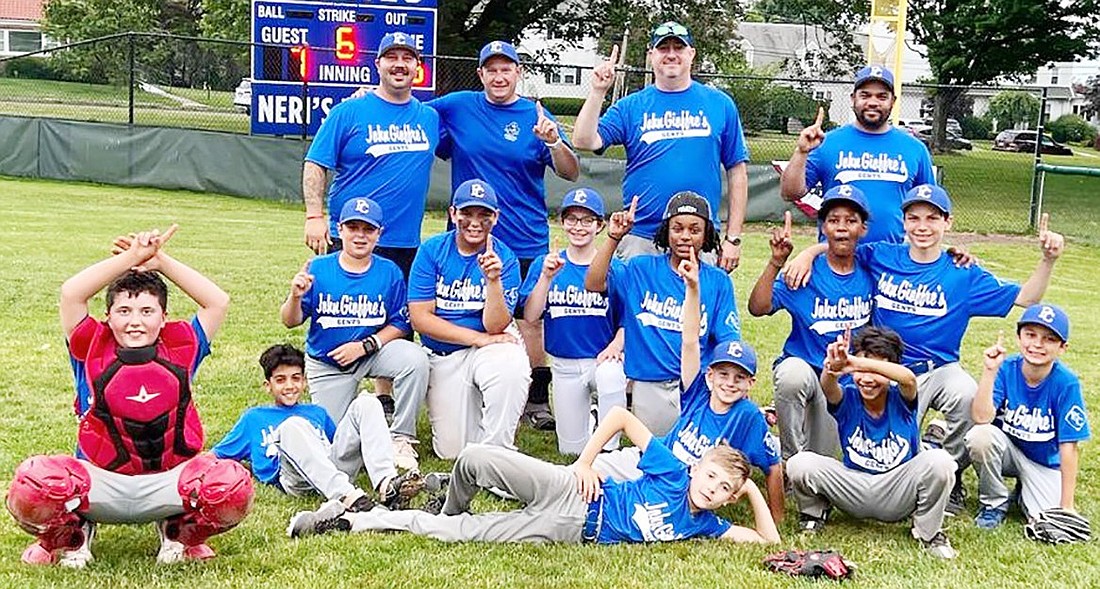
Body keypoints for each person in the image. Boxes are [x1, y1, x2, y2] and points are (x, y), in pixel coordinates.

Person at [784, 184, 1065, 515]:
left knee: (965, 394)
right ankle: (903, 461)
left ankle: (952, 472)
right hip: (886, 369)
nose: (922, 226)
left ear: (948, 222)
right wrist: (807, 253)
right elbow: (840, 246)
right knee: (886, 453)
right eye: (914, 217)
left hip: (938, 368)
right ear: (903, 223)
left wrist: (1048, 259)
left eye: (933, 218)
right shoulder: (882, 255)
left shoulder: (963, 272)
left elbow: (1027, 298)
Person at [6, 226, 253, 567]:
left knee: (231, 483)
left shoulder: (180, 349)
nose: (135, 321)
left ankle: (180, 532)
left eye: (147, 312)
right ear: (107, 317)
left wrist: (160, 261)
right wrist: (131, 258)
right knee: (33, 481)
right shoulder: (90, 347)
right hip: (101, 483)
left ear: (164, 318)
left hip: (167, 481)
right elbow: (71, 294)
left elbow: (217, 301)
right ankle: (70, 536)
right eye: (124, 311)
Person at [287, 405, 781, 546]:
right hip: (575, 490)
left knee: (460, 534)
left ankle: (359, 521)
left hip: (569, 530)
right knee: (477, 457)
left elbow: (767, 542)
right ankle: (444, 502)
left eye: (722, 491)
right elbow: (620, 418)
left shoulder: (705, 524)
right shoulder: (674, 471)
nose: (712, 491)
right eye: (712, 478)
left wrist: (752, 489)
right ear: (697, 467)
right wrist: (586, 462)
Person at [429, 40, 581, 433]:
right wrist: (366, 96)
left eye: (507, 68)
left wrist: (553, 140)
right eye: (491, 69)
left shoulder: (536, 115)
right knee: (465, 310)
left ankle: (535, 398)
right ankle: (470, 388)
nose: (499, 76)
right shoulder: (457, 106)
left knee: (529, 319)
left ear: (518, 73)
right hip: (470, 238)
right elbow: (407, 113)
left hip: (525, 236)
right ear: (480, 74)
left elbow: (570, 171)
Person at [592, 243, 783, 523]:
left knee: (601, 492)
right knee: (587, 471)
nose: (729, 383)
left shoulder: (748, 417)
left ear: (751, 383)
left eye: (739, 377)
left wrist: (778, 519)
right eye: (723, 374)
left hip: (676, 484)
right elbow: (690, 340)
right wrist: (692, 288)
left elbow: (773, 466)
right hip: (653, 458)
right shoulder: (698, 393)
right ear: (709, 375)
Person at [572, 22, 749, 270]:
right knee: (637, 309)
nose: (671, 54)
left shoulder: (719, 104)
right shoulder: (631, 106)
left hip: (698, 237)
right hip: (641, 236)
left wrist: (733, 238)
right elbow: (583, 140)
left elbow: (737, 172)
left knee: (697, 308)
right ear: (651, 55)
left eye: (679, 47)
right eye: (663, 48)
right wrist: (598, 91)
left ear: (692, 54)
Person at [280, 197, 429, 471]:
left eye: (368, 229)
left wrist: (366, 346)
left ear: (379, 233)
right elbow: (290, 321)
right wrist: (294, 296)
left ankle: (401, 437)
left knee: (414, 359)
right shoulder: (319, 267)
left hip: (372, 354)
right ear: (340, 229)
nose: (360, 235)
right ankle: (370, 431)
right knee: (334, 445)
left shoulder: (389, 271)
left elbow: (402, 323)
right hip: (328, 363)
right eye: (353, 227)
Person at [786, 327, 959, 559]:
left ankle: (928, 532)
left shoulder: (902, 398)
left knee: (940, 462)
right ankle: (813, 515)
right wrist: (833, 367)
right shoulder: (848, 399)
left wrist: (858, 362)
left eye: (875, 370)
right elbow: (828, 386)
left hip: (898, 489)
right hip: (854, 485)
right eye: (860, 371)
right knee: (800, 463)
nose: (866, 379)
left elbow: (907, 378)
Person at [585, 191, 740, 436]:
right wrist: (614, 238)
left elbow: (728, 339)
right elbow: (594, 283)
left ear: (707, 233)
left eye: (695, 229)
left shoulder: (718, 281)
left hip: (698, 384)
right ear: (666, 231)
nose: (685, 236)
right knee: (659, 455)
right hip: (651, 382)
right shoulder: (641, 269)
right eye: (677, 228)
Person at [212, 344, 427, 512]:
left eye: (296, 379)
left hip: (330, 467)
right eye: (281, 380)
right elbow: (218, 454)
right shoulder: (254, 418)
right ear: (268, 385)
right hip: (296, 479)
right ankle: (348, 497)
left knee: (367, 402)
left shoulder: (317, 413)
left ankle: (386, 484)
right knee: (292, 426)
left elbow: (339, 448)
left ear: (304, 382)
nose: (289, 386)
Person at [747, 185, 874, 462]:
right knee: (791, 375)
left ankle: (807, 452)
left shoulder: (872, 270)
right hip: (806, 368)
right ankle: (790, 461)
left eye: (851, 221)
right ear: (823, 227)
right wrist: (775, 263)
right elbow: (758, 307)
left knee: (823, 459)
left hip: (846, 379)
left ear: (863, 228)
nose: (842, 228)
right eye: (833, 220)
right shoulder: (805, 272)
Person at [407, 179, 530, 459]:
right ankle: (477, 422)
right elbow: (420, 319)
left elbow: (496, 326)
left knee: (511, 365)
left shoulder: (505, 257)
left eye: (484, 215)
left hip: (489, 346)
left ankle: (499, 453)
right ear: (453, 214)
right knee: (452, 451)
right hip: (444, 353)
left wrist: (494, 281)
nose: (475, 222)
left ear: (495, 217)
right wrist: (477, 339)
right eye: (467, 213)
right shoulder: (432, 251)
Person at [521, 188, 627, 454]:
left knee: (611, 376)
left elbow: (629, 320)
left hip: (601, 360)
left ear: (599, 225)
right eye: (572, 219)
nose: (578, 227)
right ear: (561, 222)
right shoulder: (545, 264)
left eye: (587, 220)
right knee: (571, 450)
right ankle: (592, 417)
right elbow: (531, 317)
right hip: (564, 364)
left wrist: (616, 346)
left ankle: (609, 449)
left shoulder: (614, 269)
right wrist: (545, 277)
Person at [779, 65, 936, 244]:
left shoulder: (914, 149)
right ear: (853, 99)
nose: (873, 102)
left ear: (893, 101)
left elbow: (929, 209)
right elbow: (789, 193)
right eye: (865, 95)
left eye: (882, 96)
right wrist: (801, 151)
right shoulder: (826, 143)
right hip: (836, 258)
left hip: (892, 259)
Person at [966, 304, 1090, 528]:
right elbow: (981, 418)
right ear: (1018, 337)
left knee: (1046, 518)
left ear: (1063, 347)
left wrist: (1067, 506)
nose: (1037, 344)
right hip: (1006, 451)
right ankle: (994, 503)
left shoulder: (1066, 382)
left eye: (1049, 339)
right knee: (980, 436)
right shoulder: (1006, 368)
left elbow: (1069, 446)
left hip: (1043, 462)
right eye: (1030, 335)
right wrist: (989, 372)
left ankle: (1024, 490)